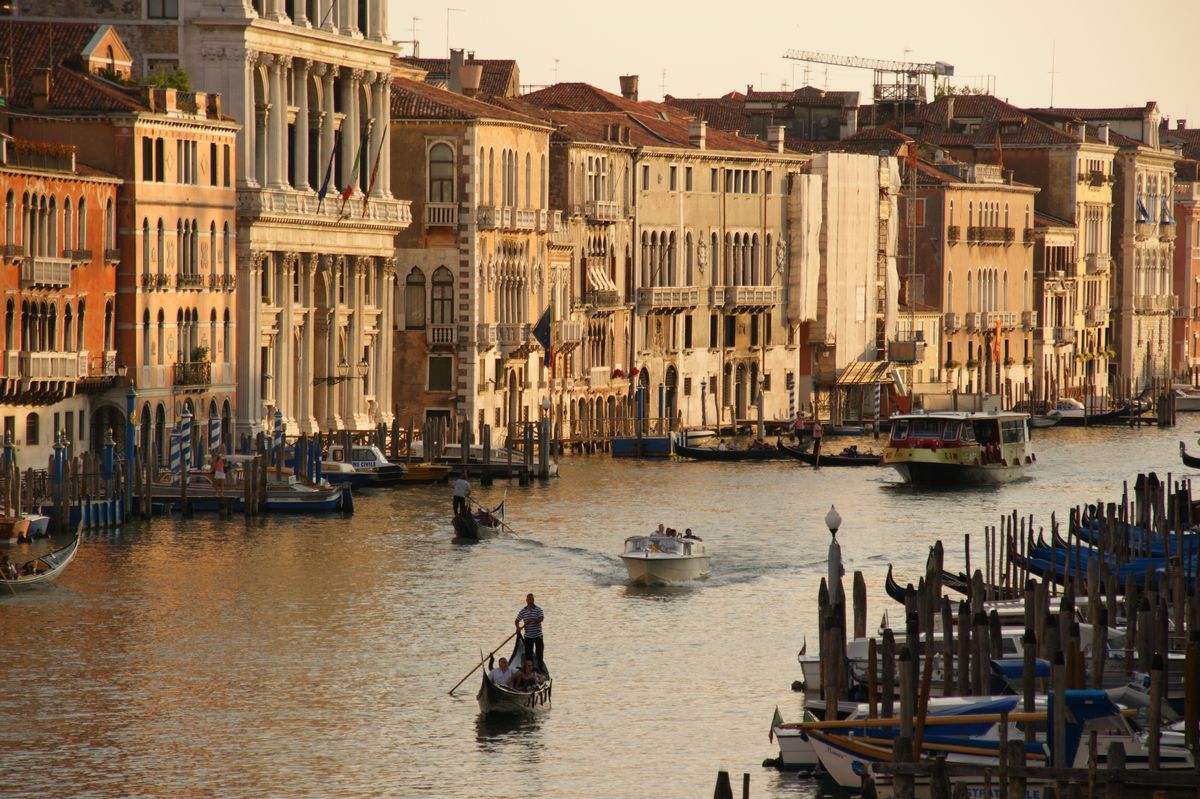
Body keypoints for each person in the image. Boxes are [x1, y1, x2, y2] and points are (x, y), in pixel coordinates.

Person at [515, 593, 545, 674]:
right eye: (529, 599)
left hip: (538, 635)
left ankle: (540, 669)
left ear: (533, 600)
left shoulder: (538, 609)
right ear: (526, 600)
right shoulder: (523, 611)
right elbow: (517, 620)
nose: (531, 601)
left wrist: (532, 620)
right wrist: (518, 628)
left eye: (532, 599)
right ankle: (530, 670)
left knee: (539, 653)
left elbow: (541, 619)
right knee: (529, 655)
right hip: (528, 636)